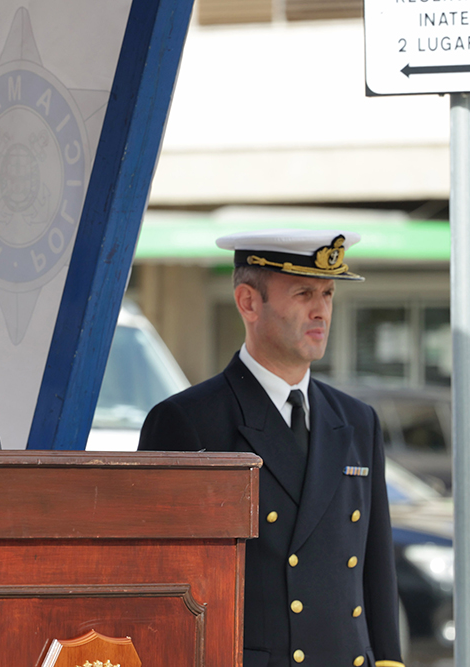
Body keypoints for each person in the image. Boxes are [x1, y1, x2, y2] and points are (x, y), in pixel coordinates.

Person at [138, 230, 404, 667]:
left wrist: (390, 660)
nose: (321, 310)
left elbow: (376, 564)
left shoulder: (357, 421)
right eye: (303, 293)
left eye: (328, 293)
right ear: (248, 302)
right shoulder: (188, 422)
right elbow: (160, 583)